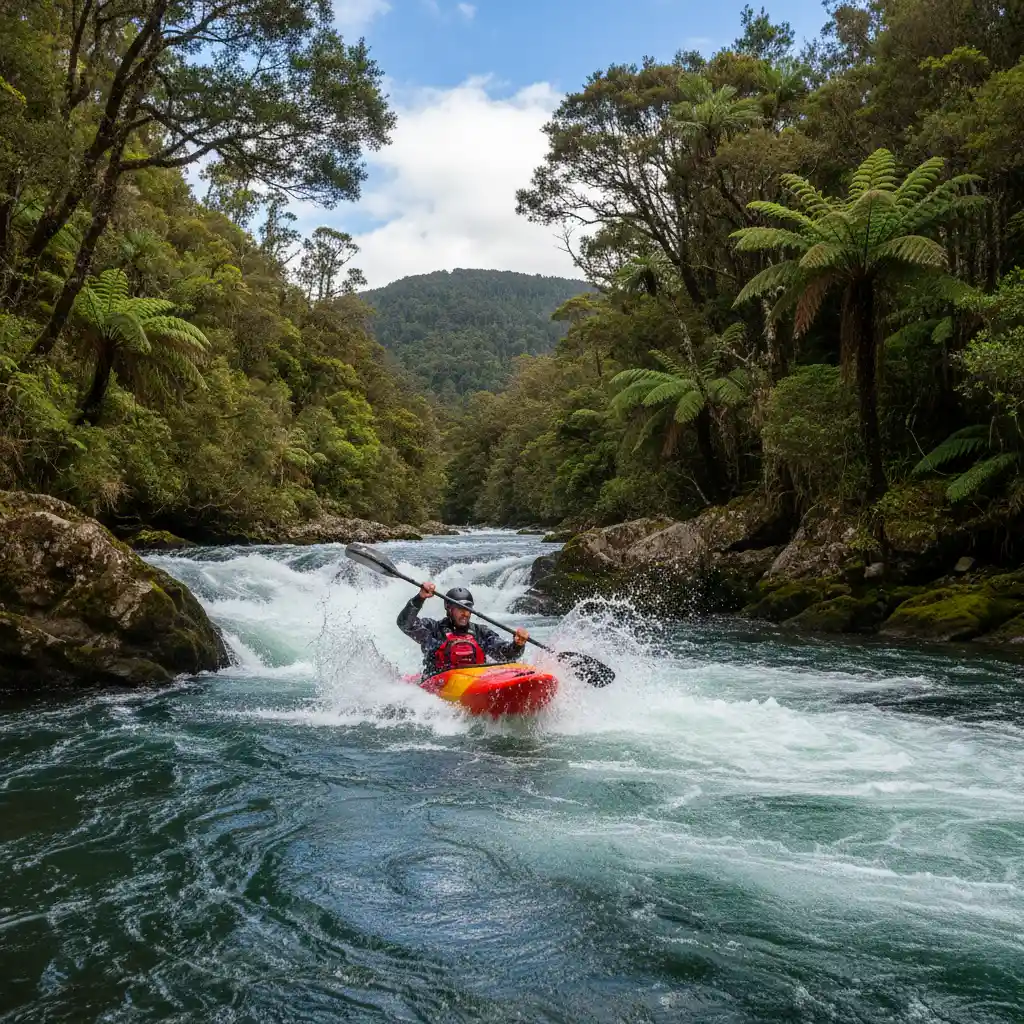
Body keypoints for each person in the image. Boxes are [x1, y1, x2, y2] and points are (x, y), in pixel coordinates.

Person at [397, 582, 530, 676]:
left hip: (475, 681)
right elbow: (404, 624)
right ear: (449, 609)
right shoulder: (433, 629)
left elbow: (504, 655)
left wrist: (517, 644)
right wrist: (419, 598)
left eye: (468, 609)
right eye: (460, 609)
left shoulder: (480, 632)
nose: (465, 613)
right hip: (438, 682)